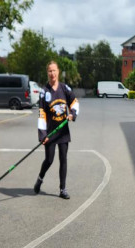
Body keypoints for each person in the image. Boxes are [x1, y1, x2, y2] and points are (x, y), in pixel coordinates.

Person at [34, 60, 79, 199]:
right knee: (49, 159)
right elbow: (42, 114)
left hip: (63, 131)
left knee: (63, 159)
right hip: (50, 132)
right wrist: (42, 135)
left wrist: (72, 113)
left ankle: (62, 189)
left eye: (54, 70)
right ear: (47, 73)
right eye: (49, 71)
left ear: (58, 72)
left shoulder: (65, 88)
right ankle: (40, 178)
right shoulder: (44, 92)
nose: (52, 73)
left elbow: (75, 102)